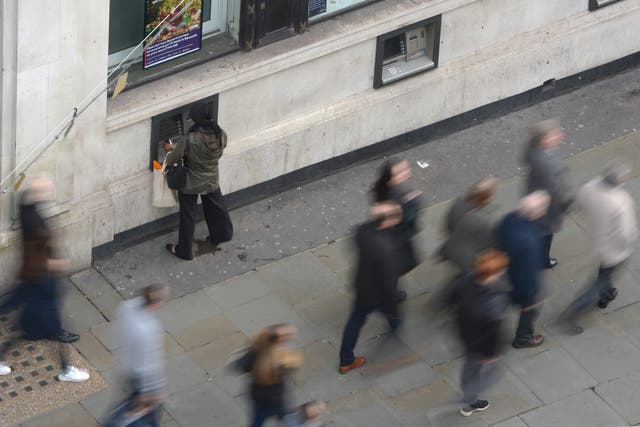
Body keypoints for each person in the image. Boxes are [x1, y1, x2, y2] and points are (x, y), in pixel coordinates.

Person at [0, 178, 88, 382]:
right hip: (41, 281)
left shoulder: (27, 209)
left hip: (33, 280)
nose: (50, 194)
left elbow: (24, 203)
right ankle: (67, 370)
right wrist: (53, 264)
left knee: (22, 323)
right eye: (46, 191)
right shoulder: (35, 226)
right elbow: (35, 253)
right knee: (51, 329)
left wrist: (32, 191)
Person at [561, 160, 637, 334]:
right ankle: (573, 312)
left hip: (597, 241)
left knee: (605, 274)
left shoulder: (590, 186)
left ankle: (607, 295)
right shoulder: (621, 202)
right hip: (615, 250)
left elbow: (577, 204)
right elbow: (626, 233)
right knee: (602, 279)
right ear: (619, 181)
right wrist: (628, 245)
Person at [338, 202, 404, 374]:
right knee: (394, 317)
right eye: (395, 216)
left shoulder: (362, 231)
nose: (398, 218)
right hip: (378, 294)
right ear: (386, 221)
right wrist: (392, 308)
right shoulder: (386, 251)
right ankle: (394, 325)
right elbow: (389, 286)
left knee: (356, 319)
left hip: (362, 285)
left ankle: (346, 360)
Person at [164, 102, 233, 260]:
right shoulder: (221, 134)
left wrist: (172, 148)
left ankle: (184, 251)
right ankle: (223, 234)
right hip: (211, 179)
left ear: (195, 119)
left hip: (190, 183)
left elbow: (173, 158)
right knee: (217, 208)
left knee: (188, 217)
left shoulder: (190, 139)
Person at [447, 250, 509, 417]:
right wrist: (491, 354)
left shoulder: (465, 280)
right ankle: (469, 401)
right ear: (493, 274)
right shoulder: (493, 303)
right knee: (482, 372)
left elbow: (450, 297)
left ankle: (469, 398)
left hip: (464, 332)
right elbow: (493, 332)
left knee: (471, 368)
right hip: (479, 343)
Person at [110, 285, 170, 426]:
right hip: (141, 378)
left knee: (132, 403)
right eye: (162, 300)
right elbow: (149, 364)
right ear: (156, 304)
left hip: (126, 367)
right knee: (146, 413)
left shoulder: (126, 308)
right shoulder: (148, 330)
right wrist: (155, 391)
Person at [498, 191, 550, 348]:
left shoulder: (509, 218)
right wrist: (530, 297)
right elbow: (528, 272)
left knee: (499, 303)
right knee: (530, 310)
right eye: (544, 208)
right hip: (518, 283)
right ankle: (523, 338)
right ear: (536, 214)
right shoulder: (530, 240)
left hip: (503, 273)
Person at [523, 119, 573, 269]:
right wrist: (565, 207)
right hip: (546, 210)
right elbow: (556, 193)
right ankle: (542, 261)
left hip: (533, 191)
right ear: (544, 139)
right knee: (545, 235)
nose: (560, 135)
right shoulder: (549, 166)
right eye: (555, 134)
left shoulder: (532, 148)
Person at [236, 324, 302, 427]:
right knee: (260, 420)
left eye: (289, 334)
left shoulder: (285, 351)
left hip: (275, 398)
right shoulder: (259, 352)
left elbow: (291, 367)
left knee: (286, 417)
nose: (289, 337)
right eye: (285, 335)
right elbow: (242, 366)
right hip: (265, 400)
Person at [372, 158, 423, 279]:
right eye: (402, 171)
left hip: (388, 236)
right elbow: (406, 220)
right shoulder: (404, 197)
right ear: (393, 177)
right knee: (399, 265)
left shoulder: (382, 188)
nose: (407, 171)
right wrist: (413, 203)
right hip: (399, 238)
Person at [440, 177, 500, 273]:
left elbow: (448, 224)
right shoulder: (484, 220)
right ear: (486, 199)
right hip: (467, 258)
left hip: (450, 248)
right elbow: (485, 243)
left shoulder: (458, 203)